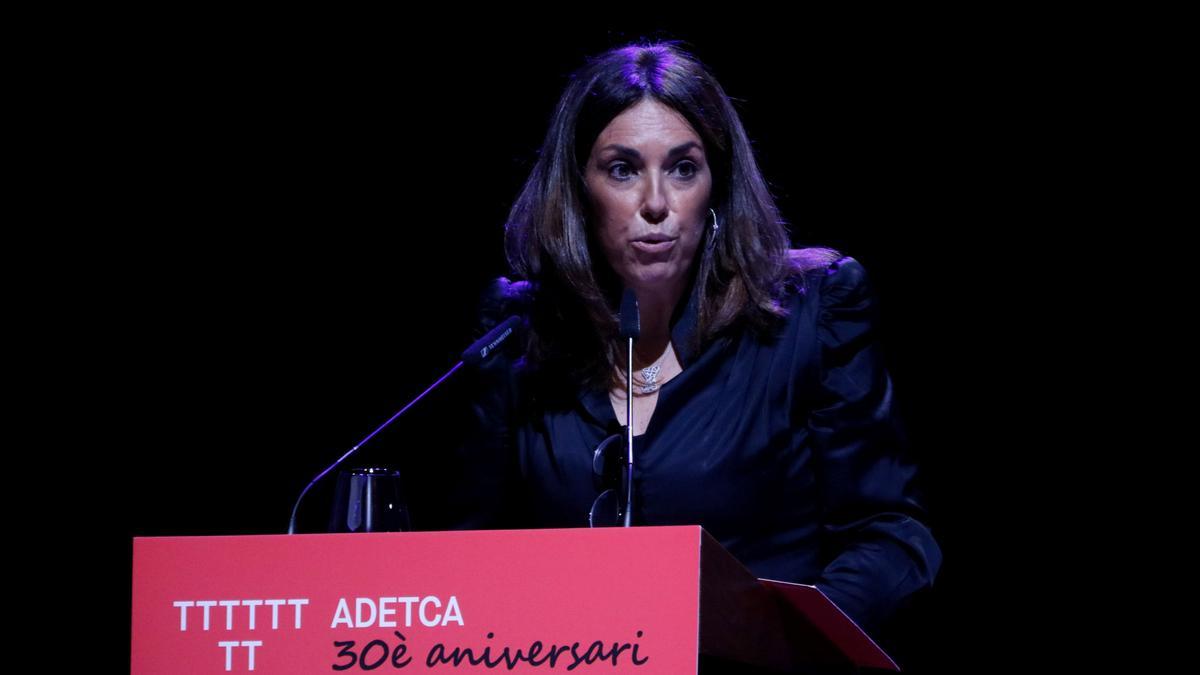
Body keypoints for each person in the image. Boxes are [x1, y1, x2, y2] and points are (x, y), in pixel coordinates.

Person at [443, 41, 941, 636]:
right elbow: (466, 554)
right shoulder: (517, 334)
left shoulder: (812, 313)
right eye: (622, 169)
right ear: (578, 188)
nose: (656, 204)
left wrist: (786, 637)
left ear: (717, 186)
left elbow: (890, 535)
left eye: (683, 168)